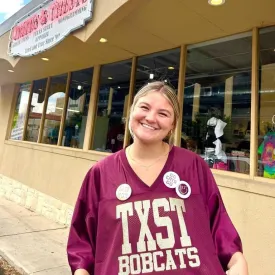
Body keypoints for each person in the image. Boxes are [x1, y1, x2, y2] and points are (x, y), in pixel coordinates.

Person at [67, 81, 248, 275]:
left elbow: (220, 227)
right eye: (144, 107)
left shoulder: (193, 166)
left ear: (173, 125)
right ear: (132, 111)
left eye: (163, 113)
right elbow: (82, 244)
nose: (151, 118)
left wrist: (238, 263)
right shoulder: (101, 174)